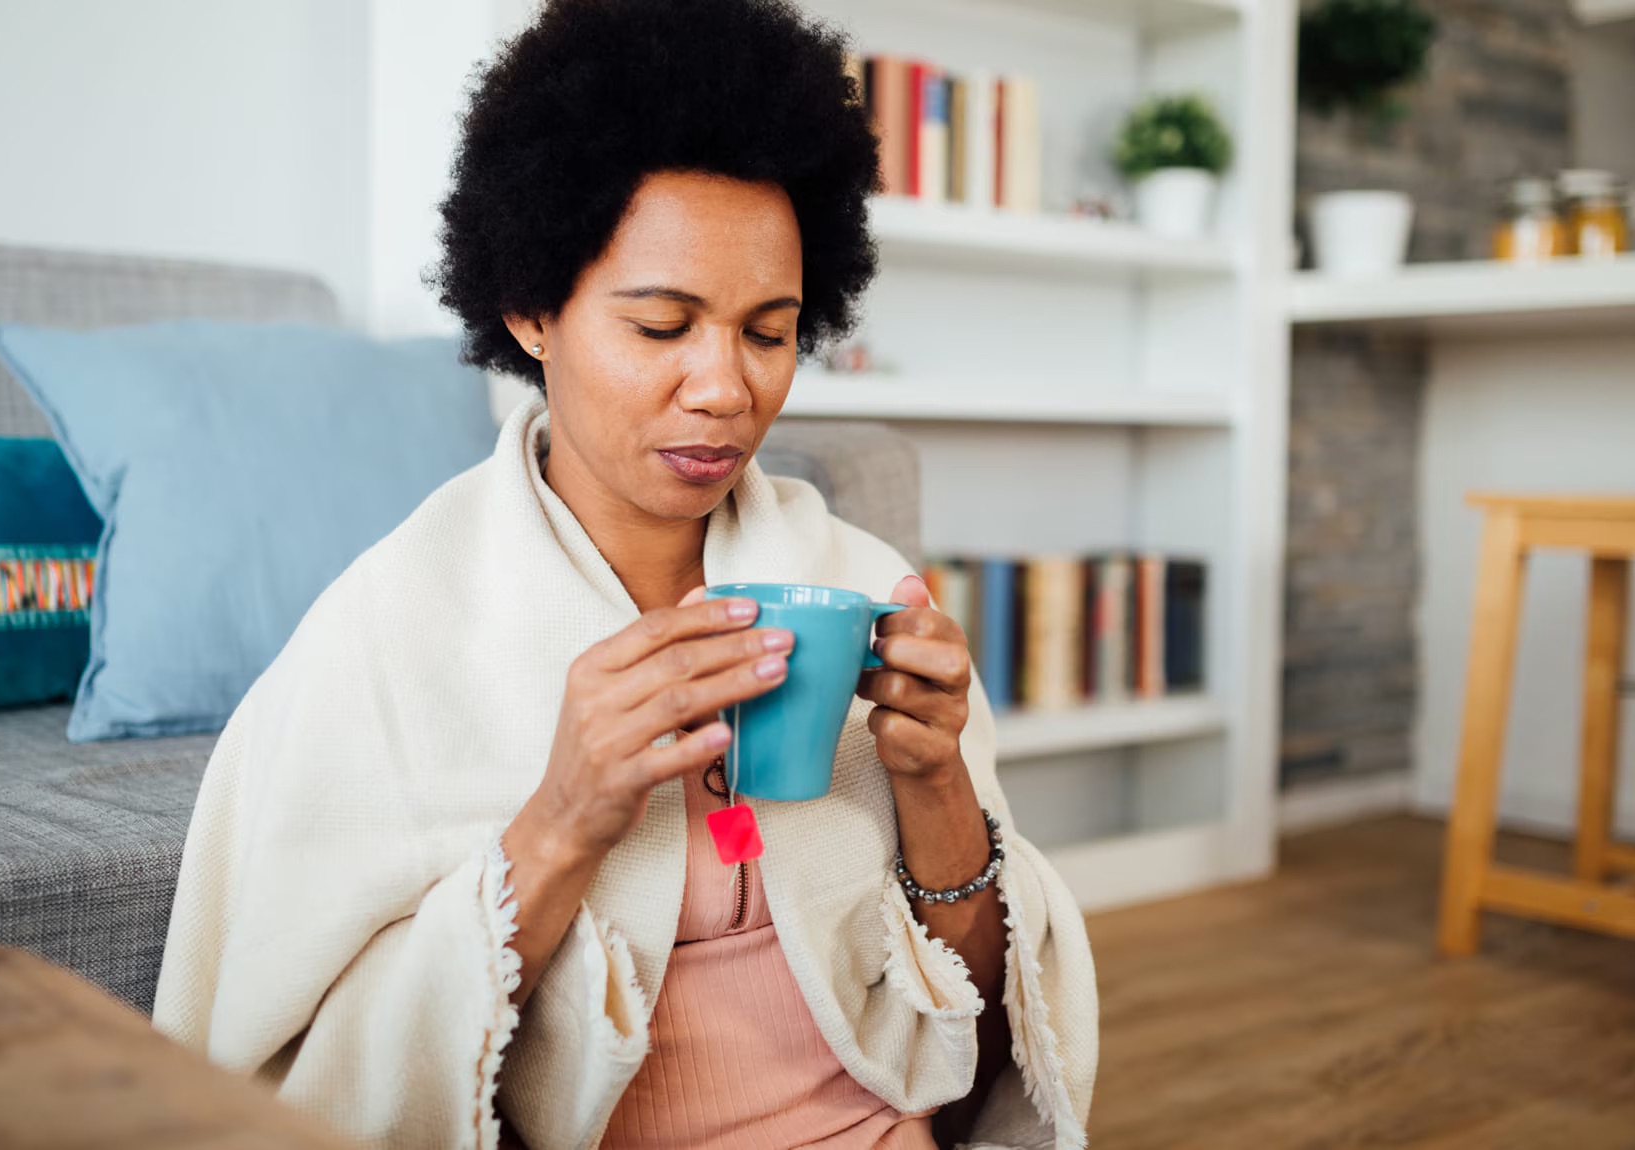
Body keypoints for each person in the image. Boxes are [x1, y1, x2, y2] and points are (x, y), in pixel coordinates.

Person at [152, 1, 1097, 1147]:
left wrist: (936, 780)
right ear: (531, 310)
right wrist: (564, 816)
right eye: (662, 326)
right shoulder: (395, 623)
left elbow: (985, 1055)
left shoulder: (856, 580)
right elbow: (286, 1063)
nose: (725, 387)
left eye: (767, 331)